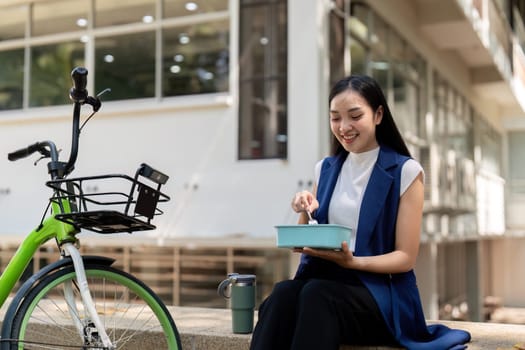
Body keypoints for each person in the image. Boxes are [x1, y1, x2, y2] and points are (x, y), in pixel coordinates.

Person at [250, 75, 471, 350]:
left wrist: (351, 262)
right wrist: (304, 209)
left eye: (355, 116)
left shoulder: (406, 171)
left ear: (378, 115)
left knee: (317, 295)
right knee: (282, 294)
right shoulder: (326, 168)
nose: (344, 127)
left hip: (380, 295)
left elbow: (405, 257)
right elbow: (306, 240)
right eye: (335, 118)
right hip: (327, 287)